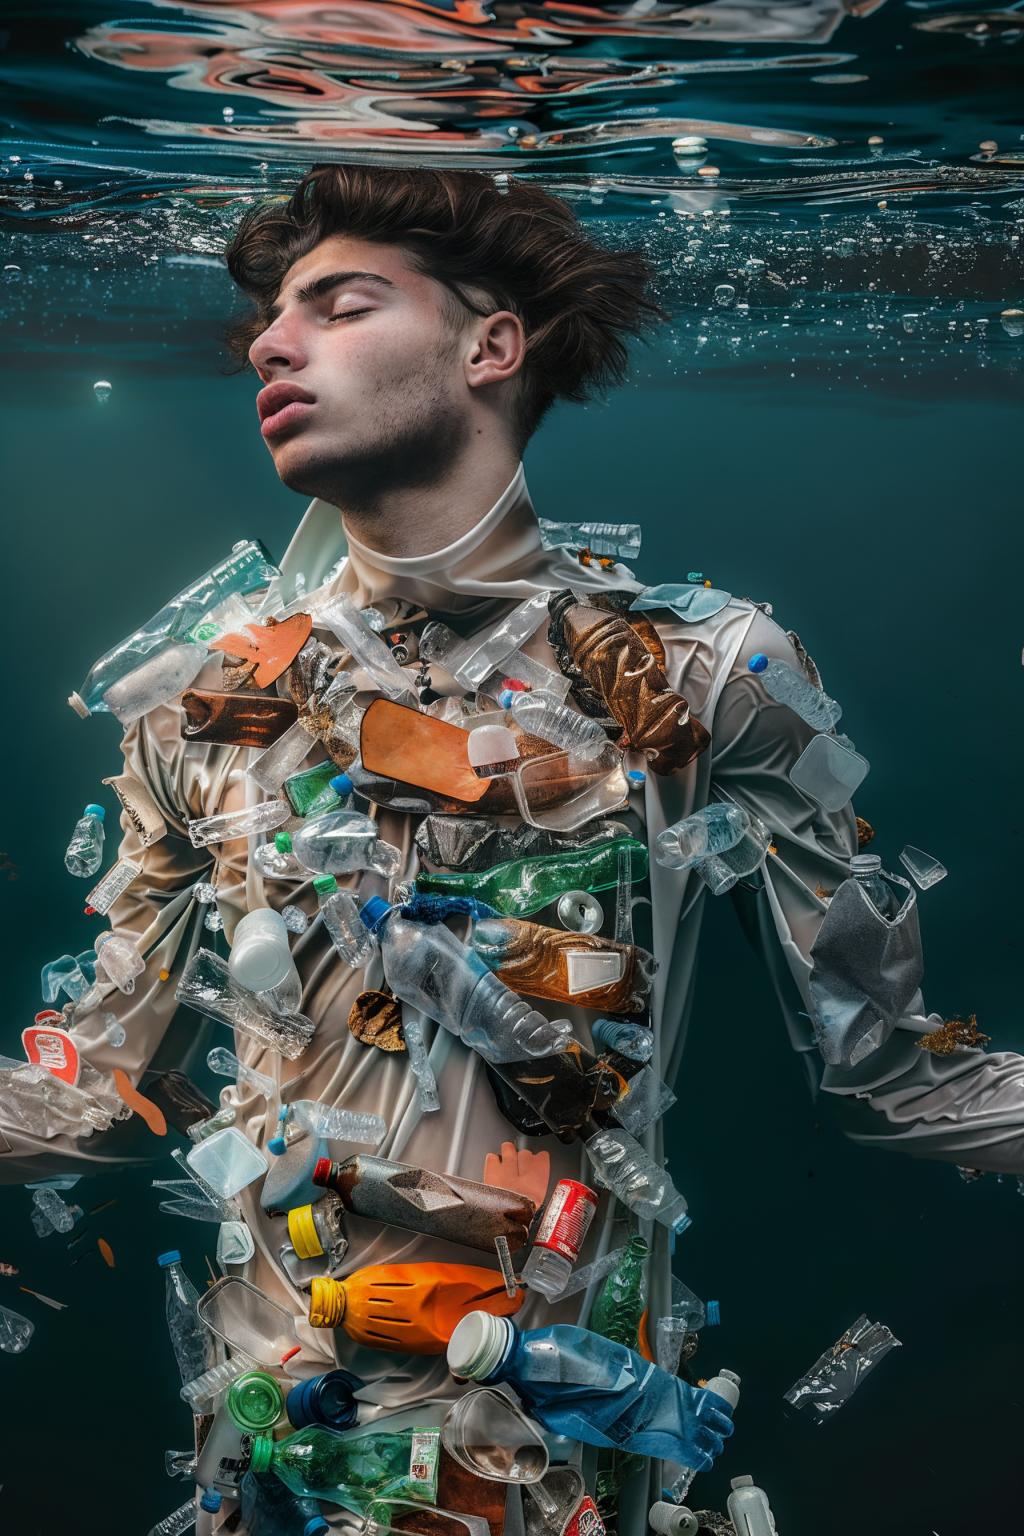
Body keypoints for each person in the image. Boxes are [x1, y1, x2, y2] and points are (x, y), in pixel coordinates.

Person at [5, 166, 1023, 1530]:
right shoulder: (196, 700)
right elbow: (88, 1088)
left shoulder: (710, 671)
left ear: (492, 346)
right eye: (269, 315)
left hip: (563, 1469)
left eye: (339, 305)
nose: (268, 340)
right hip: (270, 1464)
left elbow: (898, 1079)